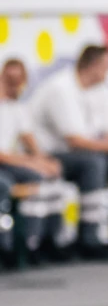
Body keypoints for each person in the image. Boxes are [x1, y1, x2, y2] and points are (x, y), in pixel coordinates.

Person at [25, 44, 108, 257]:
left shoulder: (102, 89)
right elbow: (75, 140)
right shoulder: (60, 88)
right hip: (50, 154)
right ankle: (89, 237)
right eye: (106, 66)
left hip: (87, 153)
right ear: (93, 66)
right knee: (94, 163)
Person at [0, 59, 71, 265]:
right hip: (6, 164)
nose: (15, 85)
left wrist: (44, 161)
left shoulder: (17, 108)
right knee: (5, 186)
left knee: (48, 178)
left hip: (12, 163)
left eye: (19, 80)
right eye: (10, 80)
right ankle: (8, 247)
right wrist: (31, 162)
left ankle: (43, 241)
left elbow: (29, 140)